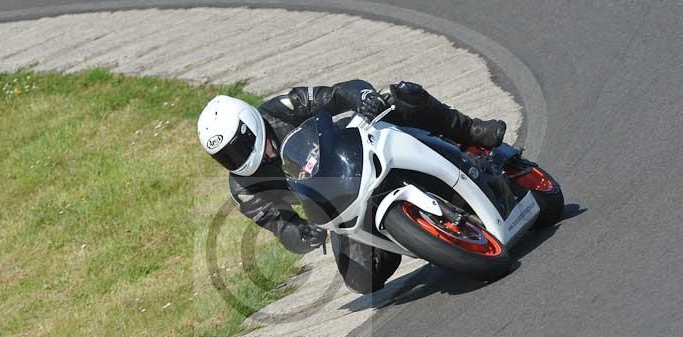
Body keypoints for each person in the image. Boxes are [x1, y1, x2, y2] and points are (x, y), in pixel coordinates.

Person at [197, 80, 506, 294]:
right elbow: (278, 224)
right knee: (362, 281)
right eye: (225, 157)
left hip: (356, 152)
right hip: (341, 205)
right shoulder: (244, 187)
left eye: (238, 148)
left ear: (250, 126)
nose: (235, 159)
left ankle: (470, 131)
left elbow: (333, 95)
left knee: (399, 95)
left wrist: (361, 98)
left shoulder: (279, 109)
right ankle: (417, 237)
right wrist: (301, 235)